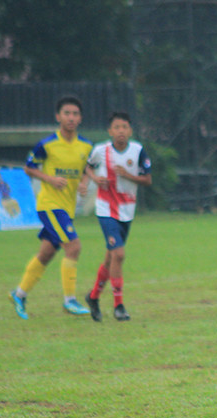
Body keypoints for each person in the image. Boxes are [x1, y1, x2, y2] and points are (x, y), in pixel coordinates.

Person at [9, 96, 94, 319]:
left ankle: (19, 294)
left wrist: (84, 184)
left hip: (67, 207)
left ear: (80, 118)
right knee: (73, 247)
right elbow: (29, 168)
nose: (71, 117)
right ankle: (69, 301)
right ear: (58, 117)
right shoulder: (47, 144)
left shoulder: (86, 146)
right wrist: (49, 178)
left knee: (46, 253)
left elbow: (87, 169)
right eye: (67, 113)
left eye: (75, 114)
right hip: (50, 205)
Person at [81, 112, 153, 322]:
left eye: (124, 127)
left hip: (127, 210)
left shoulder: (138, 151)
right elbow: (87, 167)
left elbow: (148, 180)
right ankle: (118, 305)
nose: (121, 131)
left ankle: (93, 297)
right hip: (105, 209)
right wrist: (92, 179)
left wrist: (128, 175)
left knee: (111, 258)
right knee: (119, 254)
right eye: (116, 127)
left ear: (130, 130)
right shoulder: (100, 150)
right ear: (110, 131)